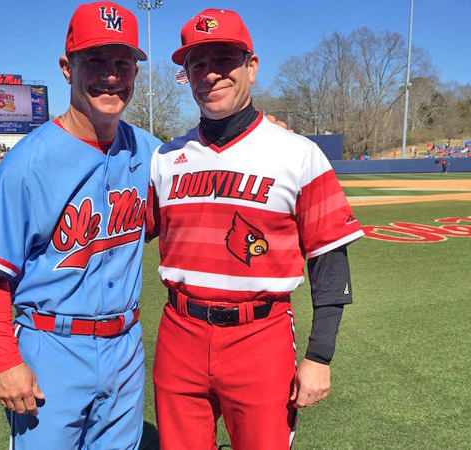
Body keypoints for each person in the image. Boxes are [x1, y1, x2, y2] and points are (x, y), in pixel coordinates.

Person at [145, 9, 364, 449]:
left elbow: (330, 263)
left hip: (260, 336)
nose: (211, 74)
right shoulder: (166, 157)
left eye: (224, 59)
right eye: (197, 64)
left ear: (251, 66)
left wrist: (319, 356)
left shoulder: (297, 154)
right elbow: (124, 238)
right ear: (186, 75)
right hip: (179, 334)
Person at [0, 2, 161, 448]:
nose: (111, 76)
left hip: (125, 346)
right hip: (52, 346)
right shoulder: (25, 164)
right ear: (67, 68)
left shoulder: (151, 153)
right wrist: (4, 361)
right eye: (95, 62)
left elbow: (186, 205)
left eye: (122, 63)